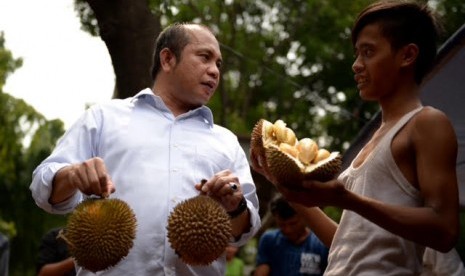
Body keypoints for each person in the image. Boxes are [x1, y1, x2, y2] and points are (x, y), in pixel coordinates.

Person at [30, 22, 261, 275]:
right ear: (168, 59)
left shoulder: (226, 141)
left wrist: (235, 205)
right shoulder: (104, 118)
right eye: (205, 57)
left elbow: (242, 232)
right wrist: (72, 175)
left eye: (218, 64)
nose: (215, 71)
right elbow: (43, 188)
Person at [251, 1, 460, 275]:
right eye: (357, 54)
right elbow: (347, 244)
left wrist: (346, 199)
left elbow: (445, 230)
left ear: (407, 55)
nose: (356, 65)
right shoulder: (374, 139)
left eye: (368, 52)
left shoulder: (427, 123)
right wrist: (284, 184)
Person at [254, 194, 329, 276]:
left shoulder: (321, 243)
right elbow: (262, 271)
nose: (288, 230)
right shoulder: (270, 240)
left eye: (293, 224)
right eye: (282, 225)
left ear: (304, 217)